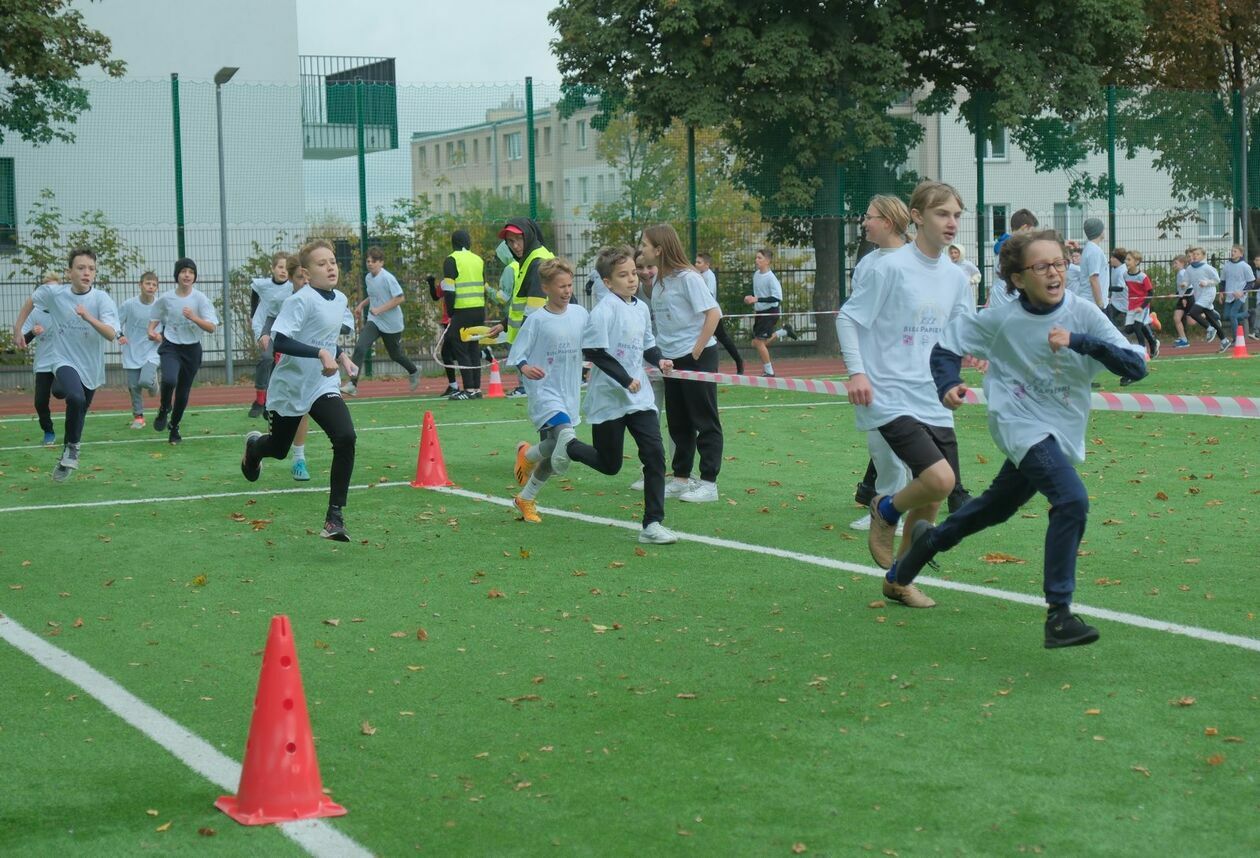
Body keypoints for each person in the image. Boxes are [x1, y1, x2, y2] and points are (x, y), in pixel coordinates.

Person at [890, 229, 1147, 647]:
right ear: (1017, 278)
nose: (1054, 273)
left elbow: (1136, 367)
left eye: (1060, 264)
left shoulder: (1083, 314)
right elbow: (946, 346)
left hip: (1060, 428)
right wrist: (948, 384)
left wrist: (1079, 342)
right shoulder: (1002, 319)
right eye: (1041, 266)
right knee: (1071, 500)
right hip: (1017, 422)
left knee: (995, 509)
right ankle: (1059, 615)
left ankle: (922, 548)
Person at [836, 180, 975, 608]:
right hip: (889, 393)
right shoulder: (889, 268)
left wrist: (960, 370)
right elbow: (847, 319)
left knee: (932, 501)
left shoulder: (956, 277)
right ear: (916, 217)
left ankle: (899, 580)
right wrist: (857, 373)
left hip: (932, 396)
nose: (951, 223)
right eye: (942, 214)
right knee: (940, 481)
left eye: (956, 215)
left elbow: (961, 334)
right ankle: (886, 509)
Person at [553, 245, 677, 544]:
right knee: (610, 465)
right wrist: (624, 379)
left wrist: (659, 359)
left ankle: (652, 524)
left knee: (655, 456)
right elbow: (594, 351)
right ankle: (569, 445)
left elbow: (647, 343)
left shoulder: (642, 308)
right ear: (608, 282)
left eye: (634, 273)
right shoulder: (604, 310)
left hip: (640, 399)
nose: (632, 279)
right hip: (610, 397)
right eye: (623, 275)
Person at [241, 239, 358, 541]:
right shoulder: (300, 300)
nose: (330, 267)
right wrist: (320, 353)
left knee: (345, 436)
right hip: (292, 385)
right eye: (322, 263)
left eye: (332, 261)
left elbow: (327, 338)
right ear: (306, 272)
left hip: (322, 383)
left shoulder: (340, 299)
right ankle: (255, 448)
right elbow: (279, 340)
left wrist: (341, 357)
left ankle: (334, 517)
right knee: (279, 450)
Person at [12, 248, 119, 481]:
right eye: (80, 268)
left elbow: (111, 334)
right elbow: (31, 300)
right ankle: (72, 448)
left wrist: (88, 317)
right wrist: (18, 328)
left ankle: (68, 450)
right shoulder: (56, 293)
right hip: (63, 360)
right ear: (69, 271)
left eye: (91, 269)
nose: (86, 273)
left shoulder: (101, 299)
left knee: (80, 408)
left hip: (91, 367)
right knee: (76, 398)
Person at [843, 196, 914, 534]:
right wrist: (858, 366)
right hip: (875, 370)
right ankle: (887, 507)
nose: (864, 222)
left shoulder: (916, 262)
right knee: (879, 445)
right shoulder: (869, 263)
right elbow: (857, 317)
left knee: (900, 444)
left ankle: (896, 510)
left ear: (887, 221)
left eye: (869, 217)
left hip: (907, 371)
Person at [642, 223, 723, 503]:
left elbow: (714, 314)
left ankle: (709, 483)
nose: (641, 250)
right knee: (678, 421)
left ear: (660, 249)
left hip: (696, 357)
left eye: (644, 245)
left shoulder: (689, 277)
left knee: (704, 419)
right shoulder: (659, 280)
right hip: (671, 360)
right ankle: (680, 478)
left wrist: (697, 350)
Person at [507, 257, 589, 523]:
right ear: (546, 288)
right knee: (565, 437)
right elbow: (517, 353)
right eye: (561, 286)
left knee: (555, 447)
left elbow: (592, 343)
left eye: (569, 285)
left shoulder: (580, 314)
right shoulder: (537, 320)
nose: (567, 291)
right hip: (545, 392)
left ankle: (526, 494)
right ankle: (528, 464)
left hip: (570, 391)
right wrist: (524, 367)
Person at [148, 258, 217, 445]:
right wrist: (151, 329)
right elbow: (156, 315)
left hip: (192, 349)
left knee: (183, 392)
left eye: (191, 272)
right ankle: (164, 408)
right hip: (171, 345)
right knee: (169, 379)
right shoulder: (166, 298)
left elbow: (211, 327)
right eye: (183, 271)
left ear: (194, 277)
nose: (187, 275)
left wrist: (194, 317)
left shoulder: (200, 299)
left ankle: (174, 427)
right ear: (177, 275)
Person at [342, 246, 418, 396]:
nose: (370, 263)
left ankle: (414, 370)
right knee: (360, 347)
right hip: (375, 321)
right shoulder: (368, 278)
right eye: (368, 261)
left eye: (374, 261)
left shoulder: (388, 278)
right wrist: (361, 305)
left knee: (395, 355)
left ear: (381, 262)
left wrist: (379, 310)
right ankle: (352, 383)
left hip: (392, 324)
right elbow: (375, 296)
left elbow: (400, 298)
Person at [492, 217, 554, 397]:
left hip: (541, 341)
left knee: (545, 397)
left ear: (529, 236)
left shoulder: (536, 262)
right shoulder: (528, 260)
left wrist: (522, 348)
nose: (515, 246)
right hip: (541, 337)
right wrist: (503, 325)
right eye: (510, 241)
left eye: (519, 239)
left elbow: (535, 312)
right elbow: (523, 302)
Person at [442, 230, 488, 400]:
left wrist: (451, 311)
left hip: (462, 310)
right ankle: (476, 388)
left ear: (453, 243)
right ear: (468, 243)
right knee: (473, 347)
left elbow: (449, 289)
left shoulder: (451, 260)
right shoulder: (478, 260)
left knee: (460, 347)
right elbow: (482, 284)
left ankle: (468, 389)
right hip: (478, 309)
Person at [248, 252, 291, 418]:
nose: (283, 271)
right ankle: (259, 399)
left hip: (284, 326)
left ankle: (269, 403)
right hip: (266, 323)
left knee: (279, 364)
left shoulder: (293, 286)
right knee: (266, 357)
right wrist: (253, 315)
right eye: (280, 267)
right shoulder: (263, 284)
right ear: (273, 268)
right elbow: (254, 292)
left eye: (287, 268)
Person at [116, 271, 161, 428]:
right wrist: (119, 335)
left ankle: (153, 383)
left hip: (152, 351)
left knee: (145, 381)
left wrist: (158, 337)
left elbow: (167, 328)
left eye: (154, 284)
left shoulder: (160, 305)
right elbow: (116, 322)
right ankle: (139, 417)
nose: (151, 287)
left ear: (157, 288)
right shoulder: (129, 305)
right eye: (148, 283)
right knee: (134, 386)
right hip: (132, 351)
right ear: (140, 285)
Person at [21, 272, 61, 446]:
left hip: (62, 362)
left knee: (62, 392)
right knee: (40, 402)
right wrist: (32, 332)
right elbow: (22, 341)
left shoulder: (65, 310)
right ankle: (49, 431)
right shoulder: (34, 313)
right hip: (43, 364)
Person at [744, 248, 798, 376]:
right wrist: (750, 298)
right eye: (756, 257)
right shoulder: (756, 275)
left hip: (770, 312)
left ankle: (769, 371)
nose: (756, 260)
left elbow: (777, 297)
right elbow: (758, 294)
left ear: (767, 261)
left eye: (760, 258)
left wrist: (757, 299)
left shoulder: (771, 278)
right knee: (755, 343)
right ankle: (784, 331)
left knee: (758, 342)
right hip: (760, 312)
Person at [696, 252, 745, 375]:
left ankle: (739, 361)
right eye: (695, 262)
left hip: (712, 313)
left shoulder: (709, 276)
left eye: (699, 262)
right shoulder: (699, 275)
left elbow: (709, 295)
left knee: (722, 337)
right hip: (702, 314)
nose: (696, 264)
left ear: (707, 264)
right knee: (705, 339)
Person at [987, 208, 1038, 309]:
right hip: (1007, 304)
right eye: (1032, 232)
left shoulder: (1006, 245)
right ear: (1025, 228)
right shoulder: (1012, 248)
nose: (1032, 236)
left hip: (1002, 302)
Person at [1183, 246, 1231, 353]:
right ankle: (1224, 340)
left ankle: (1209, 328)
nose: (1195, 256)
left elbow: (1217, 280)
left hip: (1208, 294)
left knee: (1193, 312)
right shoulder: (1189, 269)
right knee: (1211, 319)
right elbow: (1187, 281)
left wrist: (1207, 282)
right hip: (1199, 296)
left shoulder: (1207, 267)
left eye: (1198, 254)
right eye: (1194, 254)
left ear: (1203, 256)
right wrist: (1184, 284)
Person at [1121, 250, 1158, 373]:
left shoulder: (1143, 277)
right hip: (1132, 306)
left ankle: (1143, 353)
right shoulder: (1125, 275)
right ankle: (1153, 340)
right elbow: (1130, 290)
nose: (1126, 262)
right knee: (1128, 330)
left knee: (1137, 327)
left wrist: (1142, 307)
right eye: (1126, 259)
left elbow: (1150, 293)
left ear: (1137, 262)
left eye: (1129, 260)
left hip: (1142, 306)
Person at [1220, 244, 1254, 344]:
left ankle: (1235, 339)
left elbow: (1251, 282)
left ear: (1241, 254)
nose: (1232, 253)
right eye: (1232, 251)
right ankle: (1248, 313)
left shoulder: (1245, 266)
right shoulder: (1226, 265)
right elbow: (1222, 281)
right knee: (1226, 316)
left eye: (1235, 251)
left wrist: (1242, 292)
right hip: (1229, 295)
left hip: (1240, 296)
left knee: (1232, 316)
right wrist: (1221, 293)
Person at [1080, 217, 1108, 308]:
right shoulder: (1094, 251)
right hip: (1093, 302)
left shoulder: (1090, 248)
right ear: (1099, 231)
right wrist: (1100, 303)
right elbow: (1094, 279)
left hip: (1091, 301)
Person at [1170, 254, 1192, 347]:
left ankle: (1209, 316)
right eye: (1173, 263)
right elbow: (1181, 289)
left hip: (1187, 297)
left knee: (1191, 321)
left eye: (1176, 263)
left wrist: (1184, 298)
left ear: (1182, 263)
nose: (1174, 265)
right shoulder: (1179, 273)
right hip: (1182, 297)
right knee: (1176, 318)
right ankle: (1183, 340)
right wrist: (1175, 295)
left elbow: (1188, 286)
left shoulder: (1183, 272)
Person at [1105, 248, 1128, 329]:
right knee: (1108, 319)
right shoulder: (1114, 268)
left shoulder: (1123, 270)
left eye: (1112, 257)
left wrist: (1106, 288)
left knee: (1134, 327)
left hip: (1125, 301)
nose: (1110, 259)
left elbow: (1120, 288)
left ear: (1117, 259)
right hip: (1115, 301)